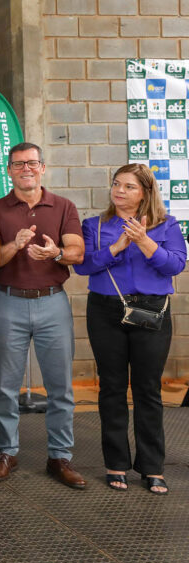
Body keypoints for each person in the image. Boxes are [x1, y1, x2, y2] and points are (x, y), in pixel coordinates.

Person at [73, 164, 186, 495]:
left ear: (145, 192)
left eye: (129, 186)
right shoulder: (94, 226)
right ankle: (115, 464)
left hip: (151, 311)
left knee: (147, 389)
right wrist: (117, 247)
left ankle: (152, 467)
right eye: (116, 184)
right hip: (105, 311)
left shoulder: (167, 225)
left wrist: (144, 241)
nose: (119, 191)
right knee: (111, 387)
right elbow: (83, 266)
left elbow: (176, 264)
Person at [0, 142, 86, 489]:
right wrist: (16, 244)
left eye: (32, 163)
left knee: (60, 387)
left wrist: (56, 253)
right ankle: (6, 452)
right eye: (18, 164)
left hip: (52, 302)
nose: (25, 169)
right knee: (5, 386)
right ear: (9, 171)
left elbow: (77, 252)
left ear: (42, 167)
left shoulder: (63, 206)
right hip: (8, 302)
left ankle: (60, 456)